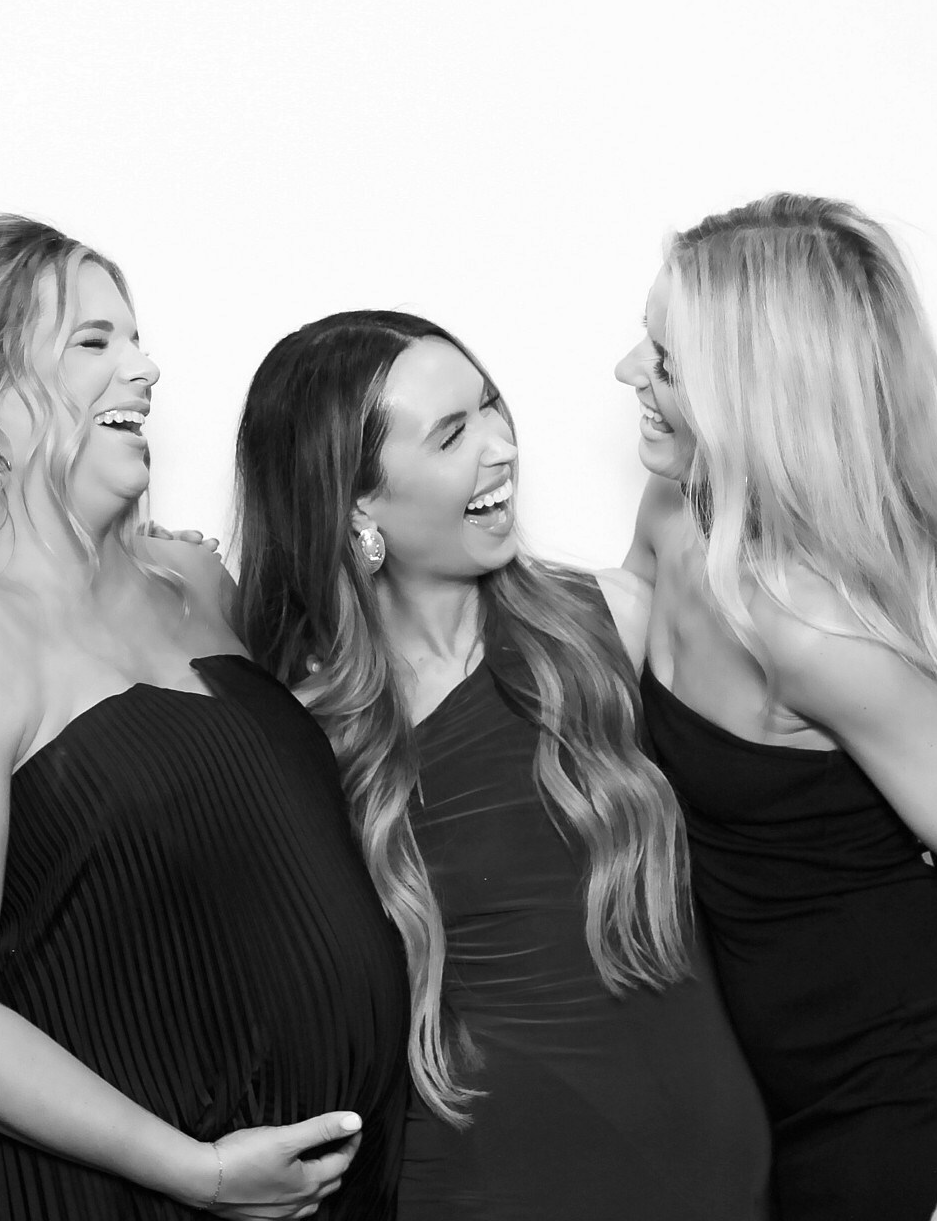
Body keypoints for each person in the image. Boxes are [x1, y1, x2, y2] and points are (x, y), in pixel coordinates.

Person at [0, 215, 410, 1220]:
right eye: (93, 340)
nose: (145, 370)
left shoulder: (191, 578)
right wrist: (197, 1170)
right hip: (113, 1194)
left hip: (325, 1188)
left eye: (136, 338)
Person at [615, 193, 937, 1220]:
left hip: (912, 1104)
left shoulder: (815, 636)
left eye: (663, 361)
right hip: (776, 1097)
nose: (627, 373)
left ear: (748, 395)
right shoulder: (674, 510)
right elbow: (606, 626)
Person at [234, 309, 772, 1220]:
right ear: (356, 503)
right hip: (485, 1184)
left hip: (712, 1168)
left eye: (489, 407)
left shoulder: (611, 623)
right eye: (452, 434)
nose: (502, 447)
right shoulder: (300, 735)